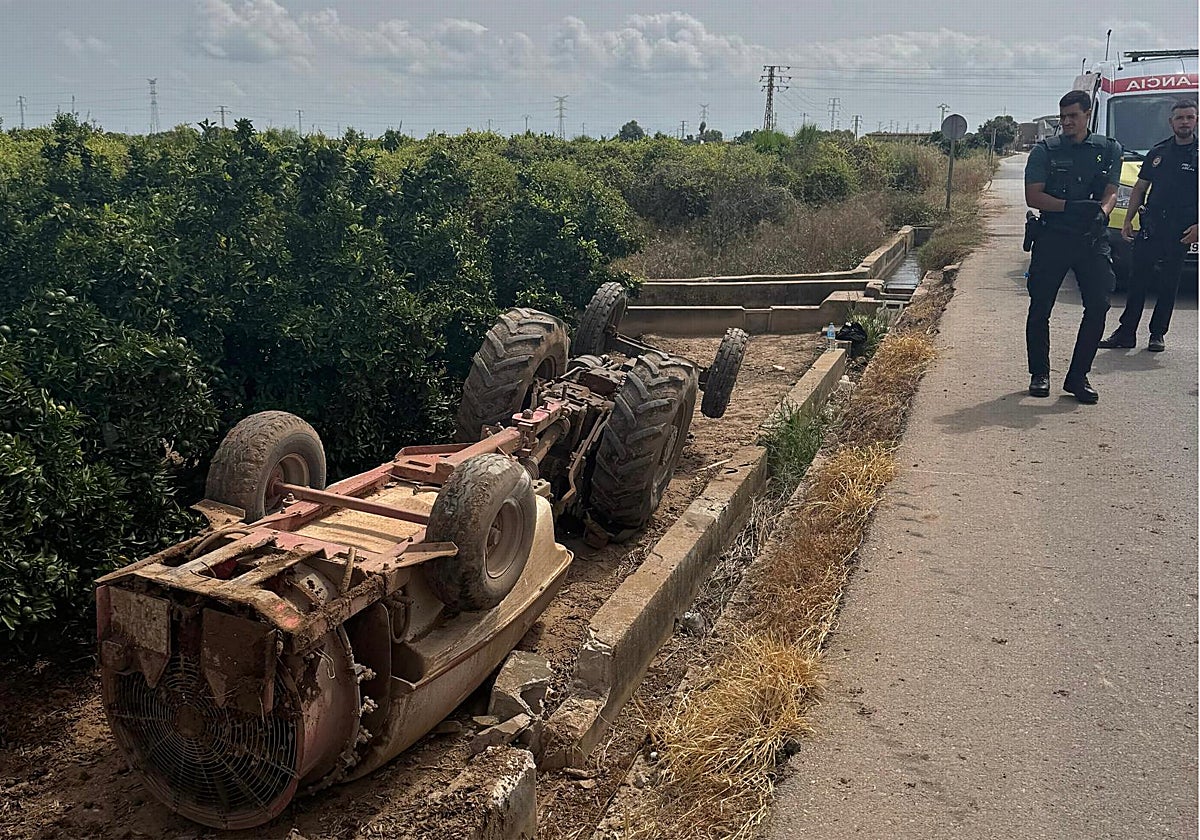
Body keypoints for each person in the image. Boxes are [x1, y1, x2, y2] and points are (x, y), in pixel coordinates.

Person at [1023, 90, 1122, 403]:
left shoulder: (1108, 150)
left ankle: (1078, 375)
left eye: (1073, 116)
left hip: (1090, 239)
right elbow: (1033, 196)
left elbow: (1111, 191)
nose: (1066, 121)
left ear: (1087, 114)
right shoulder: (1045, 151)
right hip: (1053, 235)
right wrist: (1069, 207)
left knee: (1099, 305)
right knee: (1040, 307)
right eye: (1063, 116)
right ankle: (1039, 373)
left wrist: (1102, 215)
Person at [1099, 99, 1198, 353]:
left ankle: (1157, 334)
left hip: (1182, 230)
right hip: (1152, 225)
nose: (1185, 122)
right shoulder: (1158, 153)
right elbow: (1140, 188)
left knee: (1169, 283)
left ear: (1196, 120)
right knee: (1137, 281)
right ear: (1171, 122)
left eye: (1189, 117)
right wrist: (1129, 219)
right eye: (1180, 118)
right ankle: (1126, 332)